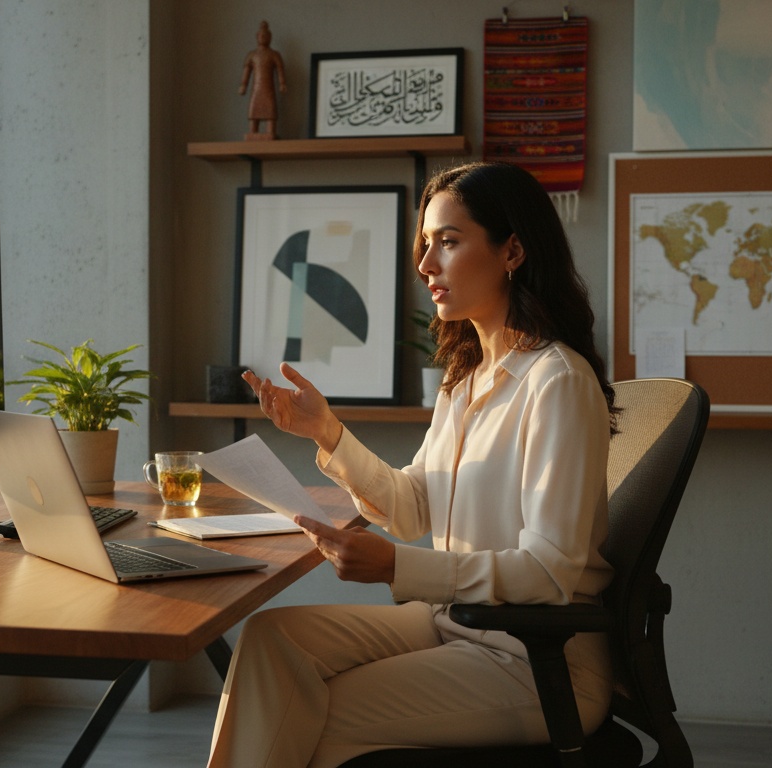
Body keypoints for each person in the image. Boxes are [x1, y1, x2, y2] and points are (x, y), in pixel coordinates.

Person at [208, 161, 618, 768]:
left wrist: (398, 567)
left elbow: (548, 572)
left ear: (512, 251)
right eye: (425, 244)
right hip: (452, 623)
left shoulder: (557, 382)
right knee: (272, 639)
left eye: (447, 242)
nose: (425, 265)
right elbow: (412, 508)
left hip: (535, 660)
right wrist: (327, 433)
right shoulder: (464, 381)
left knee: (300, 711)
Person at [238, 20, 286, 139]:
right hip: (256, 89)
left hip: (268, 88)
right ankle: (253, 131)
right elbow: (247, 71)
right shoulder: (252, 55)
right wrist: (243, 85)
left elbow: (280, 69)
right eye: (261, 36)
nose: (263, 38)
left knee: (270, 110)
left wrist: (282, 83)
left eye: (266, 36)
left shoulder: (274, 54)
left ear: (270, 37)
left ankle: (270, 131)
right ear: (257, 37)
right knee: (254, 110)